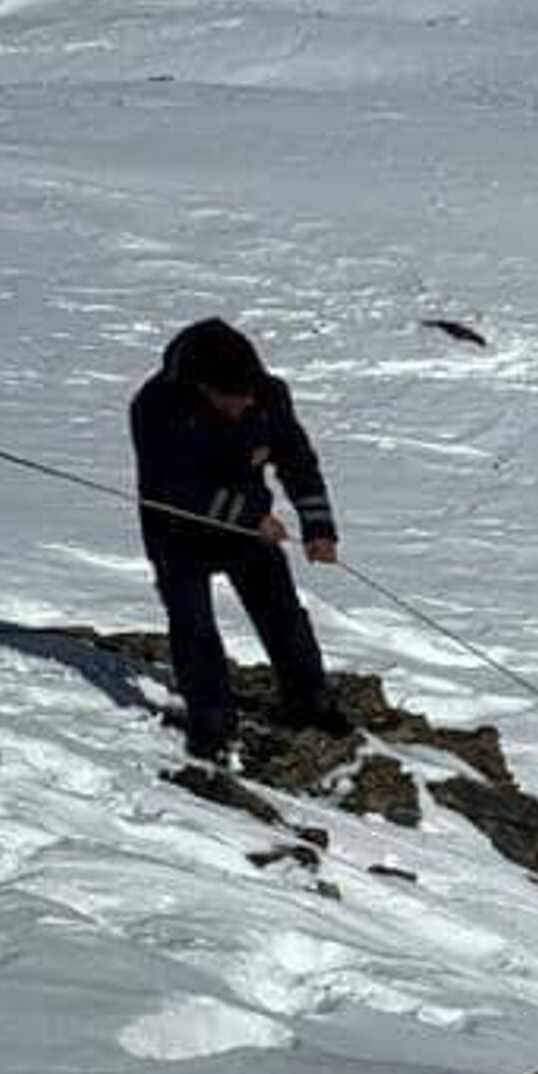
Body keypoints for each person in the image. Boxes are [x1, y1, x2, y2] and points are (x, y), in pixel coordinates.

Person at [131, 318, 349, 761]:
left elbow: (298, 462)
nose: (247, 403)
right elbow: (173, 487)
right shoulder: (156, 405)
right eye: (235, 396)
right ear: (204, 387)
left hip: (249, 528)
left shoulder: (268, 396)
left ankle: (310, 701)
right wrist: (251, 517)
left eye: (250, 393)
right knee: (193, 624)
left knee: (282, 613)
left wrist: (319, 529)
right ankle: (211, 721)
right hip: (177, 530)